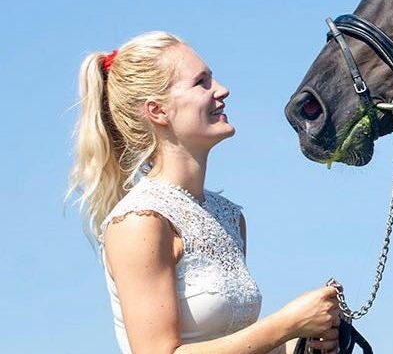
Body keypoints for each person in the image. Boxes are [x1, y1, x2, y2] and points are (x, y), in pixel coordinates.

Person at [67, 31, 340, 354]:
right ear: (158, 111)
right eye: (201, 82)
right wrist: (288, 323)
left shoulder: (229, 216)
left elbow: (235, 343)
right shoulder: (140, 221)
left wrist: (305, 340)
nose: (222, 90)